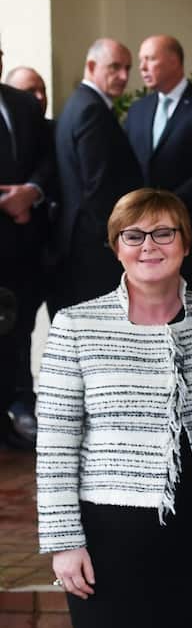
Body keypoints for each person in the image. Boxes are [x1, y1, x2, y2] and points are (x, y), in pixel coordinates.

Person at [36, 188, 192, 628]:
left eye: (164, 233)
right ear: (116, 248)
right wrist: (63, 540)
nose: (150, 246)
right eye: (134, 235)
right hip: (110, 534)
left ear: (186, 244)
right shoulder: (76, 326)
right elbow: (54, 441)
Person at [124, 34, 192, 293]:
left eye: (150, 59)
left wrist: (162, 210)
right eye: (141, 61)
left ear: (174, 61)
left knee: (187, 300)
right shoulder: (137, 109)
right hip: (143, 231)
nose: (142, 67)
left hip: (189, 227)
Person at [51, 38, 143, 315]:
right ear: (91, 66)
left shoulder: (80, 103)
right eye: (114, 67)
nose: (124, 76)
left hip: (82, 242)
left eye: (127, 68)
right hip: (95, 246)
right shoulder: (92, 109)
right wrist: (116, 241)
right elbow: (98, 186)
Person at [0, 51, 55, 450]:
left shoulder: (21, 103)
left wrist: (30, 193)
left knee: (16, 335)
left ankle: (13, 417)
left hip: (24, 251)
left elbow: (48, 157)